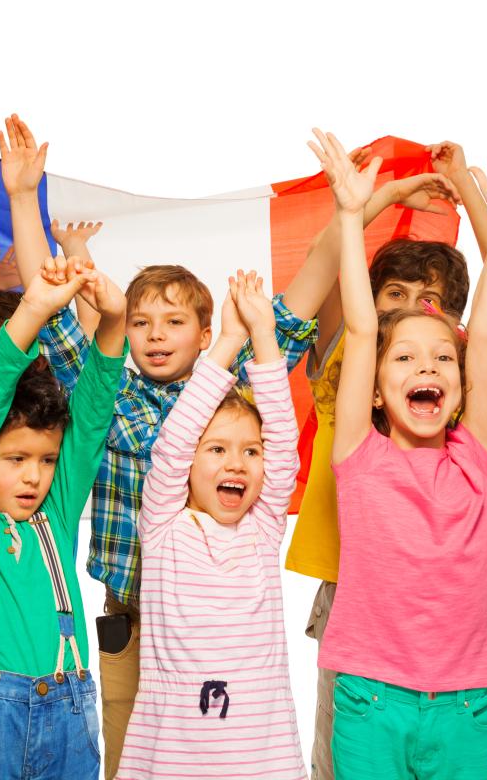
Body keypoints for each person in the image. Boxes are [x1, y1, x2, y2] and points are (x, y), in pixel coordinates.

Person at [0, 114, 332, 778]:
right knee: (133, 759)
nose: (154, 335)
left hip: (222, 634)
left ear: (207, 334)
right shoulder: (109, 396)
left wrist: (346, 214)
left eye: (174, 322)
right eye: (142, 321)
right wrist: (21, 199)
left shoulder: (230, 396)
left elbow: (296, 308)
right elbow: (56, 313)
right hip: (134, 616)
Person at [311, 128, 487, 779]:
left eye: (444, 356)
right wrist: (353, 214)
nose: (430, 366)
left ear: (463, 382)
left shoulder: (478, 460)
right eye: (407, 358)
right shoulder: (360, 457)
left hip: (466, 707)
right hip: (370, 700)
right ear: (379, 392)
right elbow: (361, 328)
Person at [0, 251, 127, 779]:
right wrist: (33, 308)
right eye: (15, 459)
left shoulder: (54, 518)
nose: (34, 477)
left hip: (68, 725)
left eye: (45, 461)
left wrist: (115, 321)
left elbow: (90, 416)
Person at [115, 270, 307, 779]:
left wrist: (265, 336)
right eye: (217, 451)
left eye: (250, 452)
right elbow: (173, 443)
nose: (236, 464)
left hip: (258, 759)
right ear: (190, 464)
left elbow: (285, 449)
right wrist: (228, 342)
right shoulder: (163, 527)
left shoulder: (262, 529)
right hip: (172, 757)